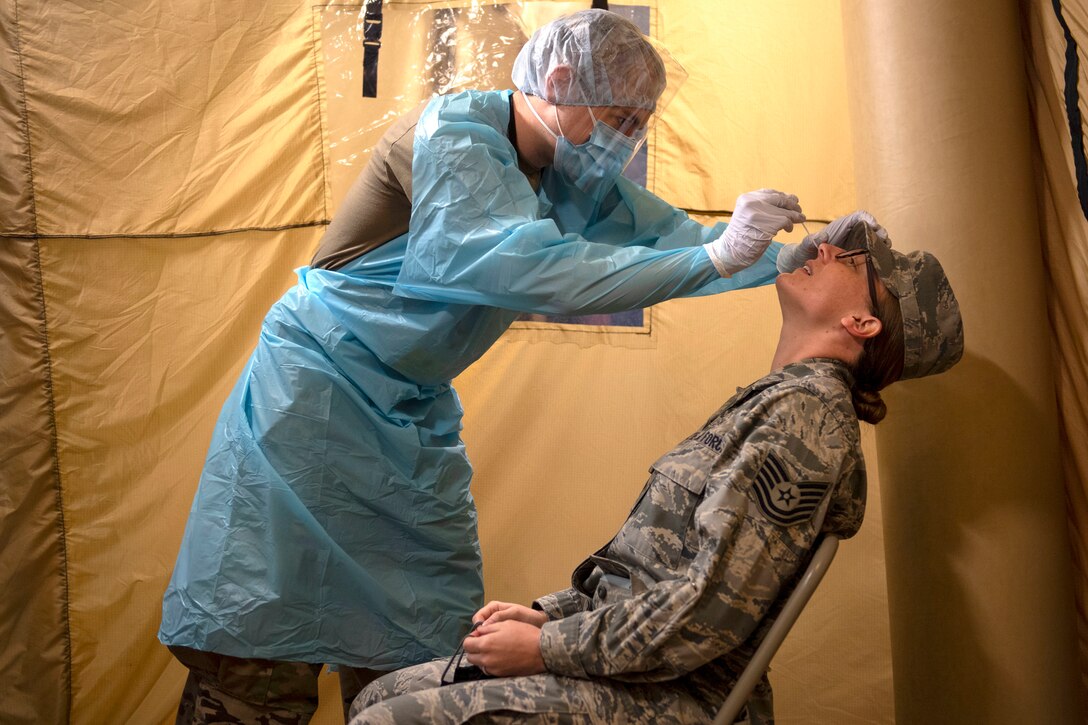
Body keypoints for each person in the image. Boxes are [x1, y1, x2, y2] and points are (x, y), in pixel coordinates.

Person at [158, 9, 810, 723]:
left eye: (639, 123)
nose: (629, 142)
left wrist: (790, 256)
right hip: (314, 400)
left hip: (407, 417)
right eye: (620, 119)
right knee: (261, 649)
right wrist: (714, 257)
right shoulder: (454, 136)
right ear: (560, 82)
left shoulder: (564, 171)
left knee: (422, 652)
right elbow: (528, 269)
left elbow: (668, 236)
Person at [347, 216, 965, 724]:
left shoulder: (804, 424)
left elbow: (706, 617)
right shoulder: (774, 403)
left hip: (673, 697)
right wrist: (551, 615)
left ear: (862, 323)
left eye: (851, 262)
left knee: (383, 721)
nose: (824, 245)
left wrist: (542, 647)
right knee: (376, 698)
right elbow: (652, 571)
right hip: (630, 672)